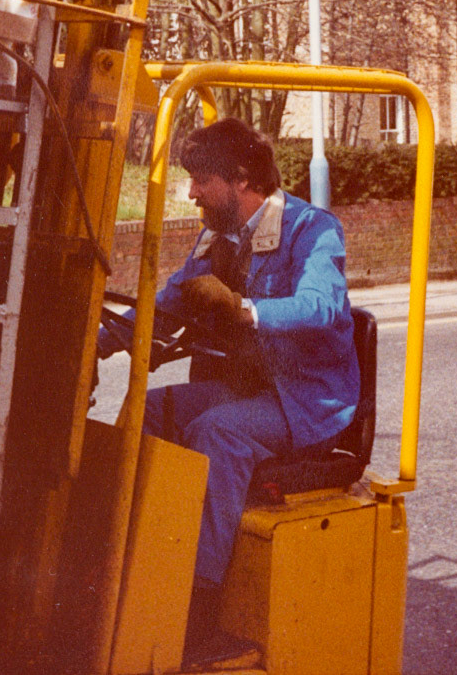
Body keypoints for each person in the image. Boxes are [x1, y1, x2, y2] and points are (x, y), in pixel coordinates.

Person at [99, 117, 358, 657]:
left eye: (201, 179)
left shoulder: (313, 230)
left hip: (305, 399)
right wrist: (97, 341)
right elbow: (169, 300)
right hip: (248, 389)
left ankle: (198, 608)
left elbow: (323, 306)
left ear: (241, 178)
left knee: (219, 431)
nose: (191, 192)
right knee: (149, 411)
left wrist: (245, 310)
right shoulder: (217, 235)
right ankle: (129, 561)